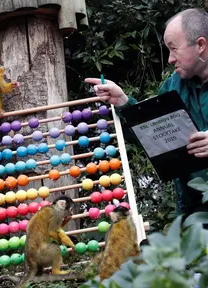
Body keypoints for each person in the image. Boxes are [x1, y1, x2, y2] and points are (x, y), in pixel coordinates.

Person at [85, 8, 208, 220]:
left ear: (200, 45)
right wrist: (123, 102)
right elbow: (151, 135)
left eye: (174, 49)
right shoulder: (174, 86)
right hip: (195, 210)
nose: (170, 59)